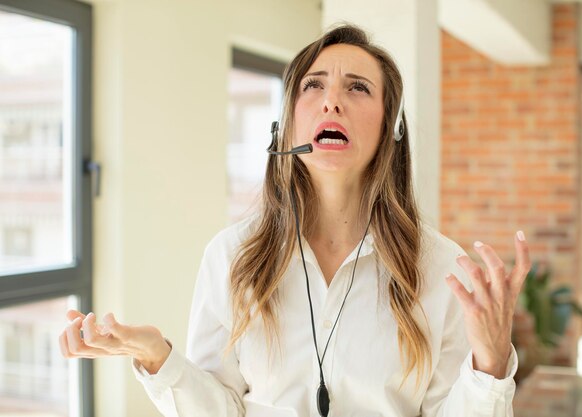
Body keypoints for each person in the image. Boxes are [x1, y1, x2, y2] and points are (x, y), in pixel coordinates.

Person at [59, 24, 530, 417]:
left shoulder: (441, 267)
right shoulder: (231, 256)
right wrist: (156, 357)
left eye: (358, 87)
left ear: (392, 128)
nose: (332, 102)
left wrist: (490, 362)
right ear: (286, 124)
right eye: (314, 85)